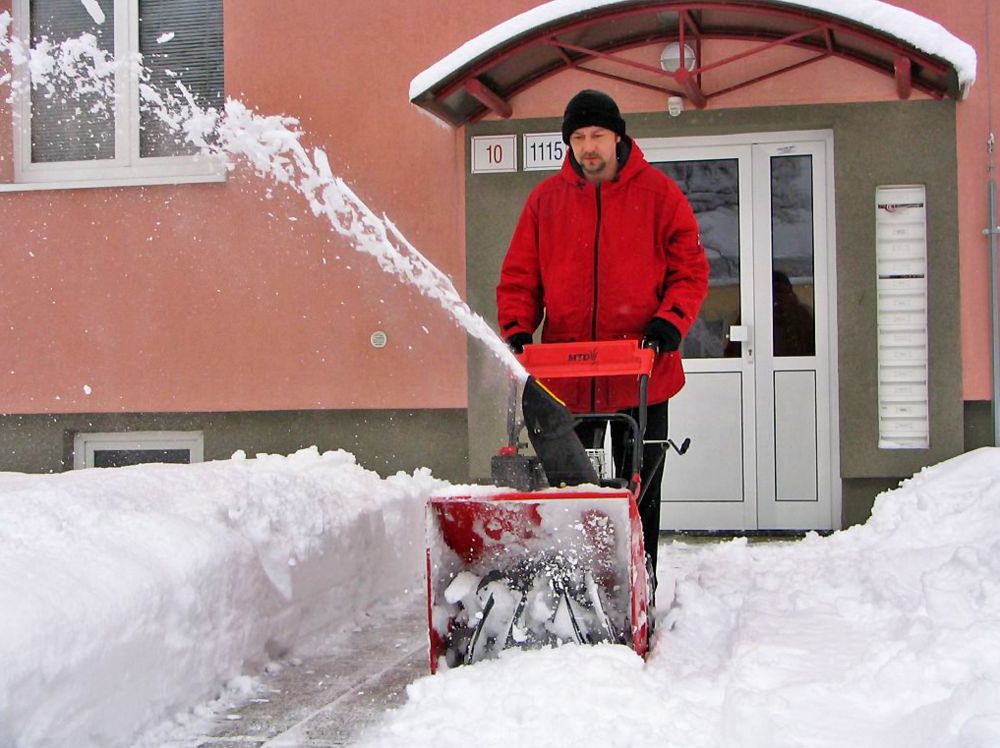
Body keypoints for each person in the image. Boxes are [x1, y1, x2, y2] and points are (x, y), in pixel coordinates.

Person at [496, 89, 709, 590]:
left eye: (597, 135)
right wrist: (518, 330)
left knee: (644, 489)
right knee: (574, 489)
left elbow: (691, 270)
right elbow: (520, 278)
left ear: (618, 137)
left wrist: (668, 323)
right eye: (578, 138)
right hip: (569, 378)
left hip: (644, 374)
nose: (588, 147)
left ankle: (642, 580)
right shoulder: (545, 202)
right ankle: (582, 581)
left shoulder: (659, 196)